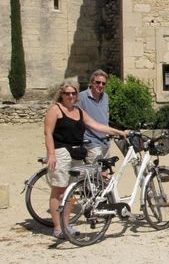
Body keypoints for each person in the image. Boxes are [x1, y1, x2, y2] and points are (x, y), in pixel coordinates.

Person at [44, 79, 127, 239]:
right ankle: (57, 227)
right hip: (61, 152)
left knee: (71, 190)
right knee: (59, 190)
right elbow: (48, 133)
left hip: (76, 153)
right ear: (61, 94)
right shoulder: (55, 109)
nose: (70, 96)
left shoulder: (78, 112)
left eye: (73, 93)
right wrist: (51, 154)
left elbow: (97, 125)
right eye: (67, 93)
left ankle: (66, 225)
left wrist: (118, 132)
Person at [77, 69, 110, 164]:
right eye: (98, 82)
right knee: (94, 174)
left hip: (105, 141)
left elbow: (105, 115)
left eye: (103, 83)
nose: (100, 85)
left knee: (104, 174)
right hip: (92, 143)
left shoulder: (106, 97)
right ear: (92, 82)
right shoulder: (82, 97)